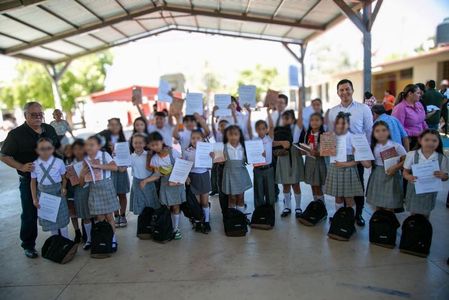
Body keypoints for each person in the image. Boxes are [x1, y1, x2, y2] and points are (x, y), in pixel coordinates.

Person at [0, 102, 60, 258]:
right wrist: (20, 166)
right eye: (34, 115)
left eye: (40, 114)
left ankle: (61, 238)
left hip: (53, 179)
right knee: (29, 212)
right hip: (29, 180)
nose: (38, 117)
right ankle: (28, 245)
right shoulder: (16, 134)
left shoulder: (49, 129)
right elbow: (4, 156)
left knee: (57, 208)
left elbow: (58, 149)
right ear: (25, 115)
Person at [327, 79, 373, 226]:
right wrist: (328, 150)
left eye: (347, 89)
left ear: (352, 90)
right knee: (339, 189)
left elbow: (368, 130)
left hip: (356, 152)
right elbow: (329, 133)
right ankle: (341, 215)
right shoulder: (332, 111)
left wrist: (365, 152)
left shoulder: (363, 108)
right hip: (338, 155)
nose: (344, 92)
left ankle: (357, 214)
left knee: (357, 186)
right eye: (341, 90)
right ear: (337, 92)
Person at [325, 112, 370, 226]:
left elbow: (359, 160)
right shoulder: (330, 136)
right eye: (338, 123)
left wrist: (345, 164)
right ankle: (339, 218)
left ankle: (350, 220)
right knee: (338, 196)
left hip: (349, 169)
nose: (340, 125)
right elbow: (327, 155)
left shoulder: (355, 137)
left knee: (349, 197)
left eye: (343, 123)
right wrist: (325, 145)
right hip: (335, 168)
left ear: (348, 124)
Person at [141, 132, 185, 240]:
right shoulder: (155, 159)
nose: (154, 147)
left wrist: (184, 178)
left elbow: (182, 165)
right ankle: (168, 228)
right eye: (152, 145)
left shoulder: (173, 152)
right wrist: (146, 180)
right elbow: (157, 174)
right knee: (166, 208)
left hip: (176, 184)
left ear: (162, 142)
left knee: (176, 206)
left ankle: (176, 229)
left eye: (156, 144)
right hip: (165, 185)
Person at [80, 135, 120, 252]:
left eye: (92, 145)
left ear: (98, 146)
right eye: (87, 145)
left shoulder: (104, 155)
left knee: (109, 216)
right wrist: (83, 173)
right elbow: (82, 183)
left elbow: (115, 167)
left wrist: (98, 165)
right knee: (100, 217)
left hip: (106, 187)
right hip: (94, 189)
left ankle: (112, 239)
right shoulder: (85, 159)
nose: (89, 147)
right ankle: (103, 239)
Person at [403, 129, 449, 217]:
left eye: (434, 140)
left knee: (426, 214)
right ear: (420, 140)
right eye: (427, 140)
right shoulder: (412, 154)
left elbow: (445, 177)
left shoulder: (442, 158)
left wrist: (443, 176)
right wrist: (409, 177)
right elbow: (405, 173)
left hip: (430, 191)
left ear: (439, 142)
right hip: (414, 190)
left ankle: (424, 229)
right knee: (413, 214)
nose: (430, 143)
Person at [30, 138, 70, 239]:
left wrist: (64, 187)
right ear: (37, 150)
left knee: (62, 222)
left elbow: (64, 177)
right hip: (44, 196)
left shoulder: (59, 162)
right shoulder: (34, 164)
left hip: (58, 193)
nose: (45, 151)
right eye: (42, 149)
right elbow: (33, 182)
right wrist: (35, 198)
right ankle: (56, 244)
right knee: (51, 221)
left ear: (52, 149)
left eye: (48, 148)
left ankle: (66, 244)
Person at [366, 121, 407, 211]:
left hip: (392, 176)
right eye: (377, 131)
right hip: (377, 174)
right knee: (378, 204)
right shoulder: (372, 147)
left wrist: (396, 167)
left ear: (388, 132)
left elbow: (406, 160)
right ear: (373, 133)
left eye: (384, 130)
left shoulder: (396, 146)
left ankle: (388, 222)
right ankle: (379, 223)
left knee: (389, 205)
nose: (381, 133)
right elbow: (368, 164)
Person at [272, 109, 305, 218]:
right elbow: (271, 142)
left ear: (293, 119)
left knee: (296, 184)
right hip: (283, 155)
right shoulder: (279, 130)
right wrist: (281, 143)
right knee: (285, 184)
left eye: (288, 118)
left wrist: (300, 96)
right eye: (284, 118)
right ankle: (287, 206)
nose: (285, 120)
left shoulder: (296, 128)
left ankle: (298, 207)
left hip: (294, 155)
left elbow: (300, 114)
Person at [99, 118, 130, 228]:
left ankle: (122, 215)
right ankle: (116, 215)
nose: (114, 127)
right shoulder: (103, 138)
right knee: (113, 193)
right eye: (111, 124)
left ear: (120, 126)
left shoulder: (123, 139)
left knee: (122, 193)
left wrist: (125, 166)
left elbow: (128, 156)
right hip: (111, 170)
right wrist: (111, 150)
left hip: (122, 170)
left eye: (116, 124)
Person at [183, 130, 213, 232]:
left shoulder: (207, 149)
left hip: (204, 176)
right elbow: (184, 165)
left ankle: (207, 222)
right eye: (193, 138)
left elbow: (210, 165)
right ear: (190, 139)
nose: (195, 140)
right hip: (193, 177)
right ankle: (199, 221)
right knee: (197, 202)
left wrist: (212, 158)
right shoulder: (187, 151)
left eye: (198, 138)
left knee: (204, 202)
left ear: (202, 139)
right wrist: (186, 177)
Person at [248, 110, 275, 208]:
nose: (261, 131)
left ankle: (270, 212)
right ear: (256, 130)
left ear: (266, 129)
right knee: (258, 192)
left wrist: (268, 112)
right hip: (258, 169)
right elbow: (249, 129)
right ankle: (259, 212)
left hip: (268, 169)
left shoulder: (269, 138)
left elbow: (272, 126)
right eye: (259, 129)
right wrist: (249, 113)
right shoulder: (254, 140)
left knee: (270, 192)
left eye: (263, 128)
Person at [222, 125, 252, 212]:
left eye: (236, 134)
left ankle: (241, 218)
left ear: (240, 135)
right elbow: (219, 160)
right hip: (229, 174)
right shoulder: (223, 147)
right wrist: (213, 157)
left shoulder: (244, 147)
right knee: (231, 198)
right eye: (230, 134)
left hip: (241, 174)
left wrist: (258, 156)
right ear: (226, 136)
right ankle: (232, 218)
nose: (233, 137)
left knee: (241, 197)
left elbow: (248, 160)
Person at [129, 133, 159, 218]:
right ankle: (142, 222)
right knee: (139, 202)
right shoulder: (130, 156)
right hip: (137, 182)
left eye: (140, 143)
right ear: (132, 144)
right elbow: (122, 168)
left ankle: (151, 221)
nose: (138, 145)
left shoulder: (149, 155)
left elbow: (153, 169)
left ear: (145, 144)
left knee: (150, 201)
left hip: (148, 181)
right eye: (135, 143)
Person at [70, 139, 92, 250]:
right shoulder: (71, 165)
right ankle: (89, 239)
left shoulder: (90, 160)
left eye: (80, 148)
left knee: (97, 215)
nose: (78, 151)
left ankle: (97, 235)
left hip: (92, 190)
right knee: (85, 216)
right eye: (75, 149)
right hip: (80, 191)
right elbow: (77, 183)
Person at [392, 84, 427, 150]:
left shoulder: (419, 104)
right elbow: (398, 128)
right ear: (410, 93)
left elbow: (422, 121)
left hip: (421, 139)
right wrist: (415, 133)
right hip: (409, 141)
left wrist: (427, 131)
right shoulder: (400, 108)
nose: (420, 95)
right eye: (418, 93)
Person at [302, 112, 327, 205]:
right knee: (312, 185)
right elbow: (306, 146)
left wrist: (317, 153)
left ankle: (322, 205)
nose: (314, 122)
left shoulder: (325, 135)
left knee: (318, 185)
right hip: (309, 162)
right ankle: (315, 203)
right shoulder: (307, 134)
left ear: (322, 122)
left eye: (317, 120)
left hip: (319, 163)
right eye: (312, 120)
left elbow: (327, 152)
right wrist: (303, 150)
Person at [62, 144, 81, 243]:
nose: (68, 152)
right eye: (66, 150)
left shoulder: (78, 161)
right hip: (69, 190)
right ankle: (77, 231)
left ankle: (85, 231)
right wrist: (65, 178)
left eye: (70, 150)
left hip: (78, 188)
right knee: (72, 212)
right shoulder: (62, 162)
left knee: (81, 210)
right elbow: (62, 177)